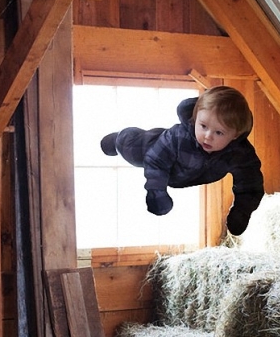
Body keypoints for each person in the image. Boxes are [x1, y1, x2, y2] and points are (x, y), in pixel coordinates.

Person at [100, 85, 264, 236]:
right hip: (155, 149)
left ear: (235, 135)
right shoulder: (177, 136)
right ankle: (117, 141)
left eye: (219, 133)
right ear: (195, 117)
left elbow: (251, 185)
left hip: (190, 172)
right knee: (131, 148)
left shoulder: (240, 153)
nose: (208, 136)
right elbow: (156, 162)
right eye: (203, 126)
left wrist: (241, 212)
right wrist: (157, 194)